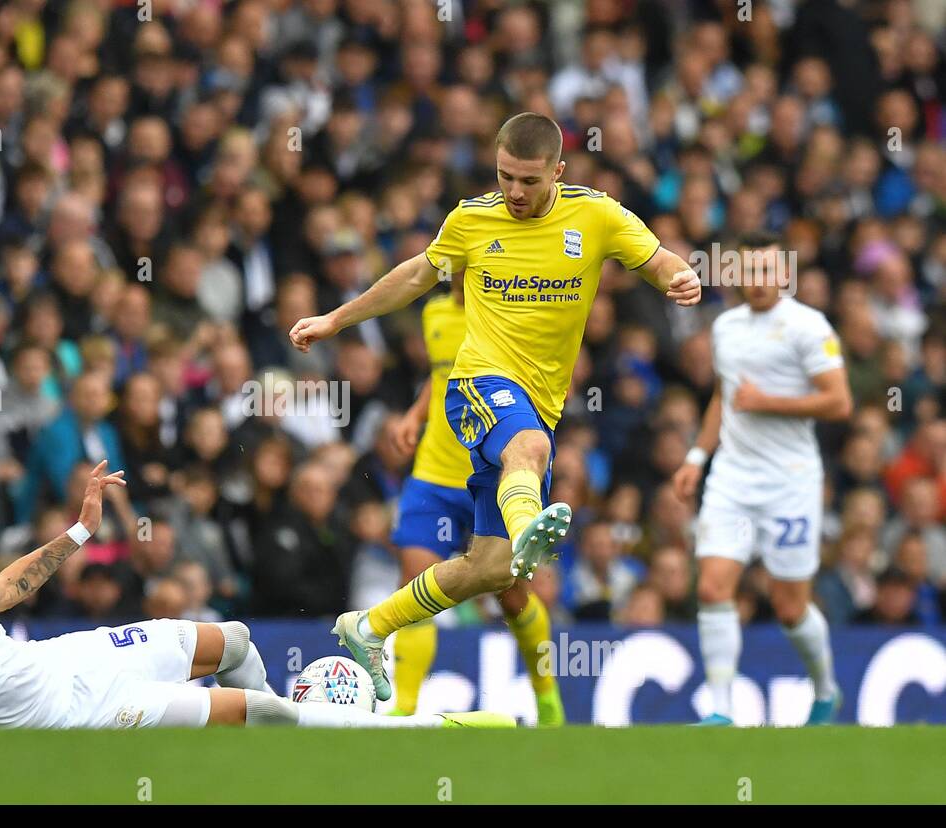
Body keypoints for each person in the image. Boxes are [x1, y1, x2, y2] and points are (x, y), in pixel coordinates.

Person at [289, 111, 700, 700]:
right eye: (504, 175)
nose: (513, 191)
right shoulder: (472, 220)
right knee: (527, 450)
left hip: (540, 402)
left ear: (558, 171)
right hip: (478, 383)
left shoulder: (597, 215)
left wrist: (681, 278)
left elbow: (658, 261)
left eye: (529, 181)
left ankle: (369, 626)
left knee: (491, 569)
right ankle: (530, 520)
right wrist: (335, 318)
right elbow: (412, 278)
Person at [0, 461, 513, 730]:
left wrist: (77, 529)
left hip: (73, 658)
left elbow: (8, 584)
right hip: (76, 713)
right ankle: (426, 731)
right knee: (258, 709)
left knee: (231, 638)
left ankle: (272, 747)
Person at [672, 231, 853, 726]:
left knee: (790, 607)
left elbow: (839, 401)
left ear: (786, 275)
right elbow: (724, 398)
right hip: (732, 477)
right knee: (712, 588)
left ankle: (825, 689)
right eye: (749, 272)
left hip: (790, 482)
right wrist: (696, 456)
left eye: (768, 271)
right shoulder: (726, 327)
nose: (757, 281)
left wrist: (767, 402)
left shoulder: (807, 327)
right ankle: (721, 710)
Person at [386, 277, 564, 724]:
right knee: (413, 578)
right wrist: (415, 412)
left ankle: (546, 696)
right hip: (432, 475)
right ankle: (404, 709)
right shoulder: (434, 313)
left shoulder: (505, 312)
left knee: (510, 593)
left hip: (492, 470)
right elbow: (443, 372)